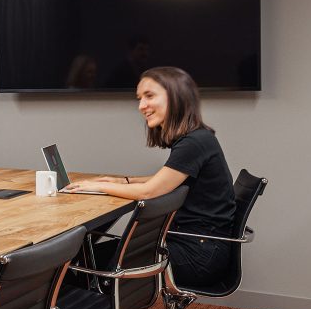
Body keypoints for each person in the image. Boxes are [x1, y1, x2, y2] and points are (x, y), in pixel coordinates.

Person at [65, 66, 236, 286]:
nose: (141, 106)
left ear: (176, 97)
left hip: (198, 254)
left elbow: (150, 191)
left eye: (149, 96)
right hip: (197, 244)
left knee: (78, 264)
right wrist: (123, 181)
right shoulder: (196, 139)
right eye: (139, 98)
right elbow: (163, 178)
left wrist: (96, 186)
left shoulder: (194, 143)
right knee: (84, 258)